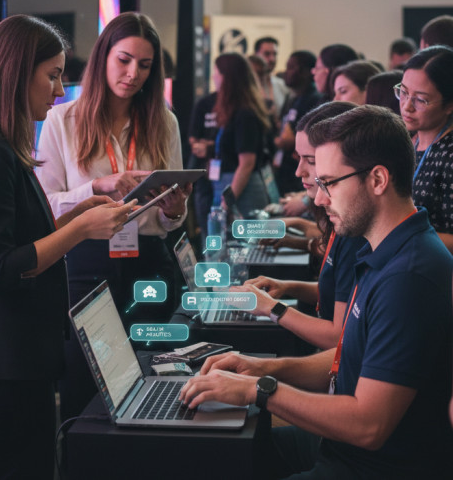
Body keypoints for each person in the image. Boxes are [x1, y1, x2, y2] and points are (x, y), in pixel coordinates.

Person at [180, 105, 453, 480]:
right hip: (343, 450)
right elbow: (349, 357)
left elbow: (368, 426)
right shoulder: (384, 249)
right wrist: (260, 368)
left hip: (373, 466)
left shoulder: (409, 277)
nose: (320, 199)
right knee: (211, 452)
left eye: (329, 183)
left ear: (377, 179)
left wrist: (259, 389)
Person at [0, 15, 134, 480]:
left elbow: (20, 241)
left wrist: (77, 216)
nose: (60, 91)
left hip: (11, 359)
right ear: (14, 74)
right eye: (52, 76)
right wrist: (80, 229)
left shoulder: (0, 148)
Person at [36, 12, 190, 419]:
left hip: (151, 262)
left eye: (145, 65)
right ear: (103, 56)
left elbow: (172, 219)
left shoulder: (165, 122)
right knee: (83, 383)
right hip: (85, 262)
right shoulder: (62, 120)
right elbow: (45, 205)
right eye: (124, 60)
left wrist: (175, 210)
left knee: (153, 375)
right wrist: (97, 187)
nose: (133, 73)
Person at [235, 102, 363, 351]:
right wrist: (286, 287)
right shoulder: (339, 222)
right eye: (298, 158)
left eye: (310, 160)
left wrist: (272, 308)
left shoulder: (352, 229)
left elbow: (338, 338)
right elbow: (337, 292)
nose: (299, 171)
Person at [396, 45, 453, 252]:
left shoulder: (449, 155)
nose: (407, 106)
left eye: (421, 100)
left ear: (449, 105)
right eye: (403, 92)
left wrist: (400, 234)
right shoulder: (408, 141)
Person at [209, 52, 275, 215]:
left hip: (243, 191)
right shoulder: (235, 110)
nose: (213, 77)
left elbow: (246, 164)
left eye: (216, 73)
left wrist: (227, 201)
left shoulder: (245, 114)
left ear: (228, 78)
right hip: (232, 186)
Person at [274, 50, 323, 195]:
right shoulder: (292, 98)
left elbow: (290, 140)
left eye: (291, 67)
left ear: (305, 72)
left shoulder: (314, 100)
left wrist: (282, 141)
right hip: (285, 170)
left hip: (302, 175)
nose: (286, 72)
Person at [187, 89, 218, 250]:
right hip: (202, 171)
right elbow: (193, 137)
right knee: (204, 218)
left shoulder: (238, 104)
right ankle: (209, 254)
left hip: (226, 172)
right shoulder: (204, 103)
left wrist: (210, 146)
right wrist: (202, 147)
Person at [253, 36, 291, 127]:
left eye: (275, 54)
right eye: (267, 54)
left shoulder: (283, 85)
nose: (272, 59)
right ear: (256, 55)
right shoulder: (246, 86)